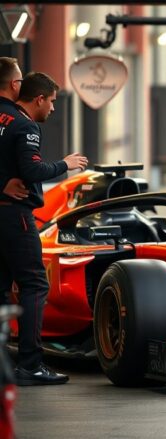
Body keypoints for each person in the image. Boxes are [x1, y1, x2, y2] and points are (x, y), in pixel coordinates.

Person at [0, 70, 88, 385]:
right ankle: (30, 365)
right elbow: (33, 169)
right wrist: (66, 164)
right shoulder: (26, 126)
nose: (52, 108)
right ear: (39, 99)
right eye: (51, 101)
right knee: (35, 286)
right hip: (17, 218)